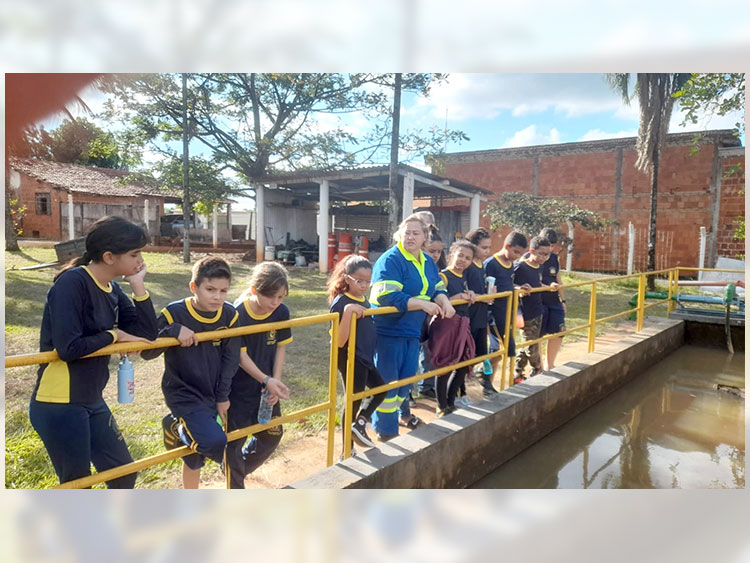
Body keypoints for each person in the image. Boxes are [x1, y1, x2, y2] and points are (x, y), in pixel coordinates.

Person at [29, 216, 158, 488]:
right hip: (59, 402)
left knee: (124, 473)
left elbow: (146, 335)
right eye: (135, 254)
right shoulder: (72, 283)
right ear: (109, 256)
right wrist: (114, 335)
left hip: (91, 398)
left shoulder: (112, 289)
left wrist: (137, 284)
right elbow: (68, 348)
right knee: (78, 485)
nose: (140, 260)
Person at [142, 256, 240, 489]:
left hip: (213, 388)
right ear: (193, 287)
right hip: (183, 392)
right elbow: (147, 352)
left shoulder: (229, 315)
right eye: (210, 289)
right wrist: (173, 330)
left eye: (223, 291)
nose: (217, 296)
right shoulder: (174, 312)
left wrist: (223, 396)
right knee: (215, 442)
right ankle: (175, 426)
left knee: (194, 456)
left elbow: (231, 358)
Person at [369, 214, 455, 441]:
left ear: (425, 237)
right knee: (389, 385)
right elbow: (387, 295)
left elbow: (436, 286)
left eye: (415, 233)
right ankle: (385, 431)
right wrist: (422, 304)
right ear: (400, 234)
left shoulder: (426, 261)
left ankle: (397, 418)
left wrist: (444, 301)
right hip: (389, 332)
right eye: (406, 232)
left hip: (412, 331)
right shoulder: (391, 259)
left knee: (406, 381)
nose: (410, 237)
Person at [226, 262, 292, 489]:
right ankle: (235, 484)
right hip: (239, 389)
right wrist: (266, 380)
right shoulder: (238, 313)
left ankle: (236, 472)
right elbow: (240, 357)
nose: (276, 303)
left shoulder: (281, 312)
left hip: (267, 387)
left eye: (281, 297)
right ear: (255, 290)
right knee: (234, 440)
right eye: (271, 297)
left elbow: (281, 348)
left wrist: (275, 381)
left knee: (272, 434)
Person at [328, 254, 386, 451]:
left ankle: (360, 424)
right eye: (359, 281)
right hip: (350, 357)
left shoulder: (363, 299)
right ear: (346, 278)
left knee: (380, 389)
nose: (364, 285)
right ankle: (347, 448)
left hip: (364, 356)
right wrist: (348, 311)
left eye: (368, 282)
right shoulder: (341, 302)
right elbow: (339, 340)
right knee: (353, 399)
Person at [435, 240, 477, 417]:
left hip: (463, 324)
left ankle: (451, 402)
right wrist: (457, 297)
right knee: (445, 366)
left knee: (464, 363)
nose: (463, 260)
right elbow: (437, 300)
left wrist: (470, 294)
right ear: (451, 255)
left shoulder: (464, 278)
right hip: (448, 326)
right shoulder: (443, 276)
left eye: (467, 258)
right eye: (460, 255)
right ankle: (441, 406)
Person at [483, 231, 529, 387]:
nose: (517, 256)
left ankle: (486, 380)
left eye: (520, 254)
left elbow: (507, 284)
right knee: (501, 349)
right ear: (507, 246)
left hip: (507, 312)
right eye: (515, 252)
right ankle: (483, 375)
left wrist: (518, 287)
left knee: (502, 351)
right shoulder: (491, 264)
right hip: (493, 314)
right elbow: (486, 287)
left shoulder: (510, 265)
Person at [514, 236, 559, 383]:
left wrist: (549, 287)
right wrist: (520, 289)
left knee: (530, 342)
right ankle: (537, 367)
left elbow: (538, 283)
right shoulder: (521, 266)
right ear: (532, 251)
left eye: (547, 254)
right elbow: (511, 284)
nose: (544, 258)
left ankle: (518, 373)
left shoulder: (539, 266)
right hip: (524, 312)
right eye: (541, 254)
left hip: (537, 310)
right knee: (529, 345)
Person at [464, 227, 496, 397]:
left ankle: (486, 384)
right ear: (473, 246)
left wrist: (489, 294)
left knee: (482, 354)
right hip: (469, 318)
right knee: (465, 355)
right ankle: (460, 391)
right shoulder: (468, 266)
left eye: (489, 248)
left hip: (481, 316)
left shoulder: (482, 265)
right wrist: (481, 297)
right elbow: (467, 291)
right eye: (484, 248)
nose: (487, 252)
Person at [416, 225, 446, 399]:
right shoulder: (415, 267)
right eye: (432, 251)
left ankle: (426, 386)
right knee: (413, 355)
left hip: (431, 318)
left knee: (428, 352)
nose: (435, 255)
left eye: (439, 252)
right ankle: (407, 395)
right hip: (414, 317)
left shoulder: (436, 269)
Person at [538, 228, 566, 370]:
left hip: (554, 301)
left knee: (559, 331)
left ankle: (551, 364)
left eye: (553, 246)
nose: (551, 248)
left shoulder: (554, 258)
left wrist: (563, 300)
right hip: (538, 301)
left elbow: (558, 278)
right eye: (548, 245)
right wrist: (547, 287)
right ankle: (538, 367)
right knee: (538, 335)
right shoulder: (530, 257)